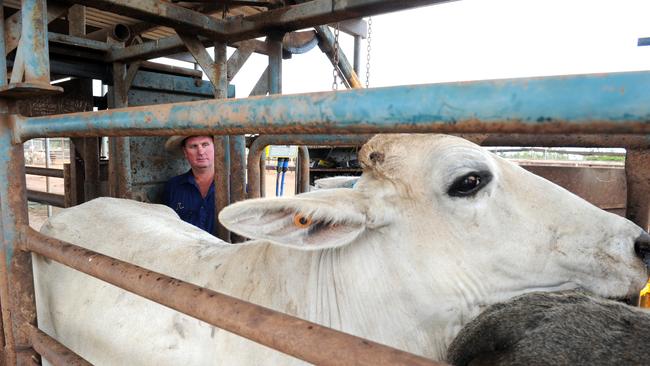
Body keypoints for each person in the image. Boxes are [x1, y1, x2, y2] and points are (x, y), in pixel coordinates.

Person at [163, 135, 215, 234]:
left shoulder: (235, 185)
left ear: (216, 147)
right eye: (193, 146)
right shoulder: (173, 187)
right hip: (186, 249)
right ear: (185, 152)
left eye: (205, 144)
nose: (201, 152)